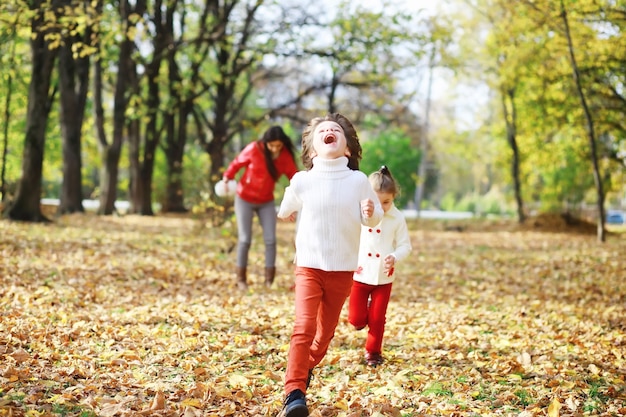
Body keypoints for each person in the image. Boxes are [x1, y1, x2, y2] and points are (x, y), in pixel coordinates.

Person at [276, 113, 383, 417]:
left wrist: (370, 209)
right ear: (311, 149)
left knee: (323, 337)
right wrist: (289, 199)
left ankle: (302, 368)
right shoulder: (303, 180)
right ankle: (294, 393)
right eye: (323, 130)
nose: (329, 131)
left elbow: (372, 219)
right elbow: (285, 210)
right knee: (303, 327)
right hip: (309, 266)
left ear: (347, 148)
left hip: (342, 270)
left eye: (336, 130)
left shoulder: (358, 181)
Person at [348, 165, 412, 367]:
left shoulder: (397, 218)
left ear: (393, 198)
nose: (382, 207)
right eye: (378, 201)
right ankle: (361, 317)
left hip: (383, 276)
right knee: (356, 320)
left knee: (377, 318)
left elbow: (405, 245)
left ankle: (373, 353)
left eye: (387, 202)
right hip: (360, 273)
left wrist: (394, 256)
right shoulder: (359, 213)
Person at [222, 125, 298, 290]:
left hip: (266, 201)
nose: (275, 149)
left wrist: (299, 199)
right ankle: (241, 279)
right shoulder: (254, 149)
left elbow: (295, 177)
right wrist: (227, 177)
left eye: (278, 146)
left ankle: (268, 280)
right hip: (244, 199)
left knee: (270, 240)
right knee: (245, 239)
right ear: (266, 142)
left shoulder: (284, 156)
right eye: (271, 145)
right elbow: (237, 163)